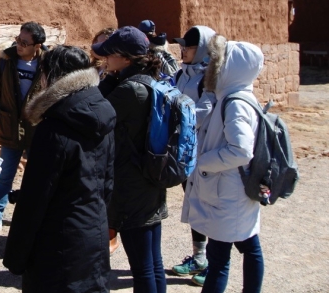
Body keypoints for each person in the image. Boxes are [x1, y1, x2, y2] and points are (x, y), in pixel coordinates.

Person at [3, 45, 115, 292]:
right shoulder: (103, 113)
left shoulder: (53, 127)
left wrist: (15, 257)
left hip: (57, 243)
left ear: (51, 77)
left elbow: (35, 199)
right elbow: (108, 182)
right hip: (92, 233)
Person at [181, 35, 265, 293]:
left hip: (228, 192)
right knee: (245, 247)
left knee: (220, 259)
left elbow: (240, 151)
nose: (210, 67)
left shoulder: (236, 103)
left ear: (231, 67)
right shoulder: (229, 97)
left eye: (217, 62)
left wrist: (201, 163)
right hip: (228, 190)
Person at [93, 26, 168, 293]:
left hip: (131, 186)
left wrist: (109, 79)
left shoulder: (129, 91)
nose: (105, 60)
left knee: (143, 268)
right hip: (149, 180)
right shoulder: (150, 80)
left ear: (125, 58)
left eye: (110, 54)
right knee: (153, 263)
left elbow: (97, 116)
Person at [0, 21, 47, 235]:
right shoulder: (6, 61)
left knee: (38, 174)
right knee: (6, 174)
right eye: (18, 40)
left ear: (38, 45)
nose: (19, 45)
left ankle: (34, 218)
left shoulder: (48, 64)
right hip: (10, 126)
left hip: (37, 128)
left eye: (25, 42)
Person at [169, 25, 217, 286]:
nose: (182, 50)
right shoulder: (181, 74)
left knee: (208, 206)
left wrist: (176, 120)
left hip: (205, 152)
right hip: (186, 152)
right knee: (194, 204)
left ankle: (215, 263)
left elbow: (204, 111)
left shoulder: (210, 76)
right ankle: (199, 257)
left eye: (187, 46)